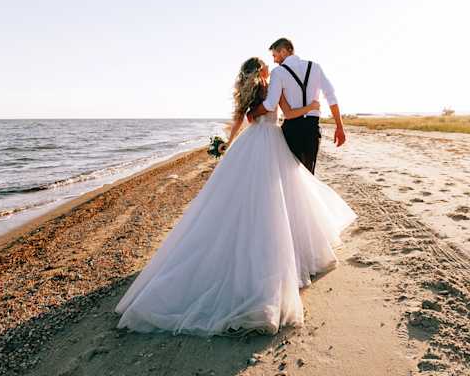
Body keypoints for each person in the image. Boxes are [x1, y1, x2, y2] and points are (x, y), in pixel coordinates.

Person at [114, 56, 357, 336]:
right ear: (263, 71)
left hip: (249, 144)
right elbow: (288, 115)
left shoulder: (246, 91)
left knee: (240, 200)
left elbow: (238, 122)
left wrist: (226, 145)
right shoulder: (271, 86)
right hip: (272, 143)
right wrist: (312, 106)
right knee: (279, 198)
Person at [247, 37, 346, 174]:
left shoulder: (278, 72)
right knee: (309, 176)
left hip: (292, 130)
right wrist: (339, 127)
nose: (274, 60)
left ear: (283, 51)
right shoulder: (315, 67)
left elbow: (270, 104)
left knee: (292, 177)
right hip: (312, 129)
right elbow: (331, 97)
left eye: (275, 55)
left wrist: (253, 113)